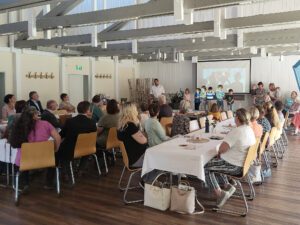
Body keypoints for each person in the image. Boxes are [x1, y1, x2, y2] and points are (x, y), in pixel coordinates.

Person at [205, 108, 256, 208]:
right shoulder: (249, 129)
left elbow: (222, 149)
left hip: (235, 167)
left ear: (237, 118)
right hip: (243, 164)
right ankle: (228, 186)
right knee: (218, 161)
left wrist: (219, 152)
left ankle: (220, 194)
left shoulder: (237, 131)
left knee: (206, 167)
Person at [9, 107, 61, 188]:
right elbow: (57, 138)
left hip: (25, 160)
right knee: (55, 156)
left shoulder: (19, 127)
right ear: (35, 115)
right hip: (46, 158)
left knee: (21, 155)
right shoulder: (46, 124)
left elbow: (14, 143)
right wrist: (56, 149)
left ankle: (24, 183)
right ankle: (49, 183)